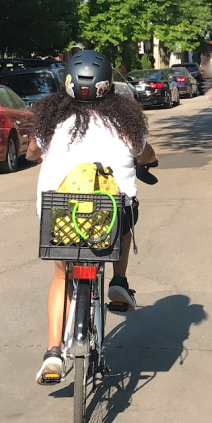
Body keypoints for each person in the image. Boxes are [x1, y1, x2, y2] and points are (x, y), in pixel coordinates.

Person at [27, 50, 157, 383]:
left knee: (62, 278)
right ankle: (119, 280)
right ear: (107, 86)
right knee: (127, 210)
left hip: (60, 215)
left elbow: (31, 153)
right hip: (110, 218)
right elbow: (147, 154)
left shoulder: (50, 121)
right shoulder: (124, 121)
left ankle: (53, 353)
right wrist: (145, 160)